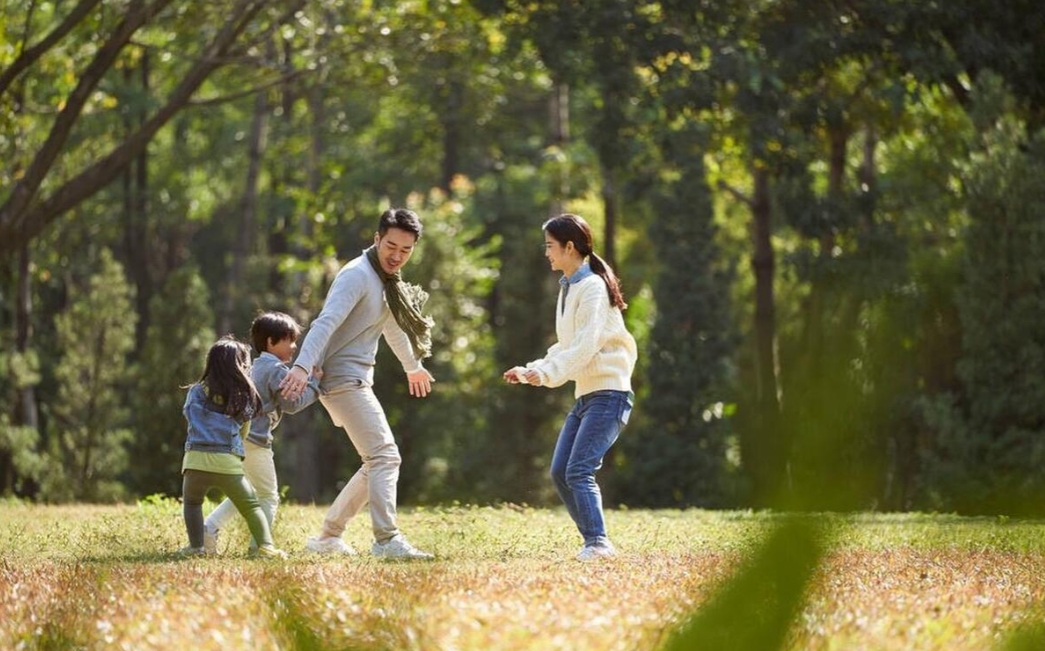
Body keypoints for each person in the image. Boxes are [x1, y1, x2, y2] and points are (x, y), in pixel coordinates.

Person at [280, 207, 436, 560]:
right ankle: (386, 539)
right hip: (340, 378)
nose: (397, 256)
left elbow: (393, 327)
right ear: (377, 239)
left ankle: (328, 537)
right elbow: (325, 322)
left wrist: (413, 367)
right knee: (385, 456)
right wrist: (303, 366)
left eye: (406, 250)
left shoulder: (386, 282)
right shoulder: (357, 275)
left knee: (376, 459)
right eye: (391, 246)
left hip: (356, 377)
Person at [503, 213, 637, 561]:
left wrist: (548, 375)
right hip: (588, 396)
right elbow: (567, 346)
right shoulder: (571, 288)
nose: (546, 253)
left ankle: (598, 543)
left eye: (550, 246)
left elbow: (586, 344)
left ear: (570, 247)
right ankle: (594, 541)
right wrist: (532, 369)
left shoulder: (591, 286)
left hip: (610, 394)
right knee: (561, 472)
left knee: (579, 470)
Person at [202, 312, 322, 554]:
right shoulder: (275, 369)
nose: (294, 346)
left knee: (248, 492)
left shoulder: (255, 367)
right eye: (289, 340)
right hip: (257, 442)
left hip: (238, 440)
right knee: (268, 496)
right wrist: (315, 385)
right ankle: (261, 547)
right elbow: (292, 403)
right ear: (270, 342)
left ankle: (208, 529)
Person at [179, 336, 287, 559]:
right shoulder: (242, 395)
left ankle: (197, 547)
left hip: (195, 462)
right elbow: (244, 430)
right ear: (241, 366)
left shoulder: (196, 391)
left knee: (192, 504)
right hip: (228, 464)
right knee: (252, 507)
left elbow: (188, 415)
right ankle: (265, 547)